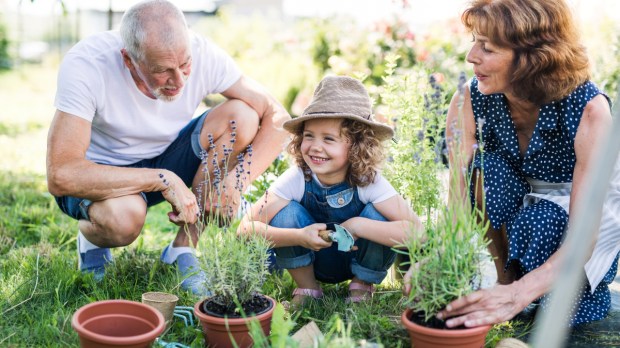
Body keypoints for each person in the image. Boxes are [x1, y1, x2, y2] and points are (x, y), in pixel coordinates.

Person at [46, 0, 290, 295]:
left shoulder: (203, 53)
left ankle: (183, 249)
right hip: (103, 175)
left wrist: (236, 184)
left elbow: (278, 118)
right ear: (128, 59)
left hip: (168, 156)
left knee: (243, 116)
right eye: (163, 71)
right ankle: (93, 240)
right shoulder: (87, 65)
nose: (180, 80)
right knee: (124, 221)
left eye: (185, 64)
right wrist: (160, 179)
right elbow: (61, 174)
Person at [405, 0, 620, 327]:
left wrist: (522, 293)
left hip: (581, 213)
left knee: (558, 314)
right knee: (483, 167)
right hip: (521, 195)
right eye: (474, 41)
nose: (471, 56)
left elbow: (583, 239)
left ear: (532, 57)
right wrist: (439, 257)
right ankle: (504, 282)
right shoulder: (470, 98)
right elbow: (460, 204)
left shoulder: (588, 108)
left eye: (487, 48)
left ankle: (527, 293)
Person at [237, 76, 423, 306]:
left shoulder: (369, 181)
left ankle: (362, 285)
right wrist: (298, 237)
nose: (316, 146)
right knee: (285, 213)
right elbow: (245, 229)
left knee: (380, 215)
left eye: (329, 139)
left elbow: (417, 233)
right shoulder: (298, 177)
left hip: (357, 257)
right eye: (309, 136)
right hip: (315, 261)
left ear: (357, 145)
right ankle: (307, 289)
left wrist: (358, 225)